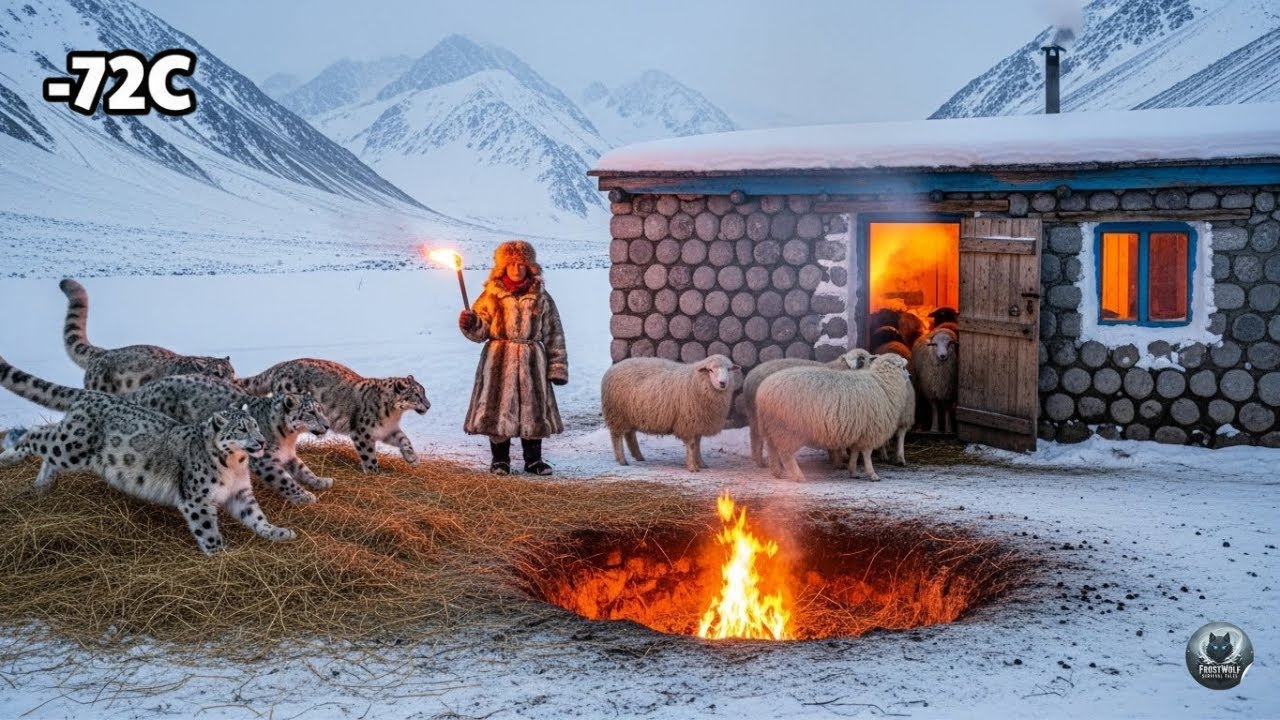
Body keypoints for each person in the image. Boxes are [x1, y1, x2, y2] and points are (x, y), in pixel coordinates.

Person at [458, 240, 568, 475]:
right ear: (503, 267)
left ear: (530, 266)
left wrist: (557, 367)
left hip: (532, 361)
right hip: (499, 358)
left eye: (522, 263)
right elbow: (481, 330)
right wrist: (471, 323)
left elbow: (553, 332)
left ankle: (533, 460)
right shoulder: (492, 295)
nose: (517, 268)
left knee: (533, 410)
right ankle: (500, 460)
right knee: (498, 409)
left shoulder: (541, 296)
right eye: (512, 264)